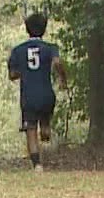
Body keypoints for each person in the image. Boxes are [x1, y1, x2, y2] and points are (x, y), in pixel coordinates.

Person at [7, 12, 67, 171]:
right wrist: (62, 79)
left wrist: (23, 73)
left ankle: (37, 165)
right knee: (45, 126)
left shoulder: (18, 50)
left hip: (29, 97)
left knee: (30, 129)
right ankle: (46, 127)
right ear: (44, 29)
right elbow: (58, 62)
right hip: (47, 94)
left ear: (27, 30)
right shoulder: (50, 48)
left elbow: (12, 75)